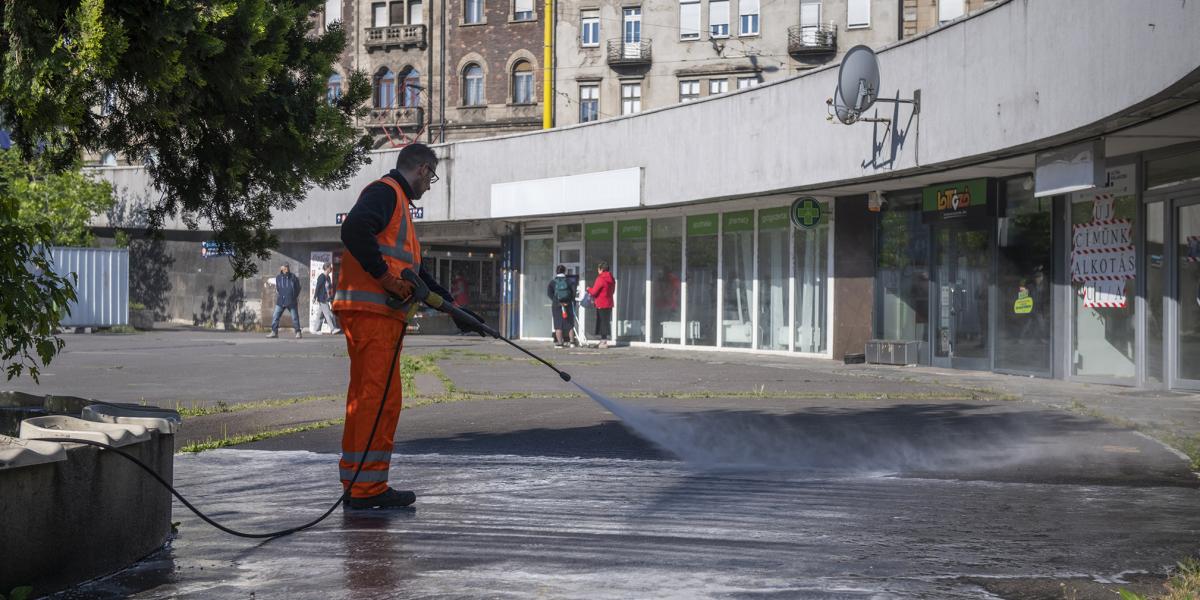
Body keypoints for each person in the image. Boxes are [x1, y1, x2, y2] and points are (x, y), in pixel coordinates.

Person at [333, 143, 488, 510]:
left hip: (374, 316)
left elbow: (419, 277)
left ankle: (359, 483)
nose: (429, 186)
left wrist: (456, 311)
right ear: (422, 169)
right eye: (431, 177)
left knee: (369, 398)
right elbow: (353, 229)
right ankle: (367, 489)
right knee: (378, 400)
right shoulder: (386, 193)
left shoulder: (398, 206)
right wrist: (385, 278)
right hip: (374, 315)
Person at [267, 263, 302, 339]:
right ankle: (274, 332)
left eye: (287, 267)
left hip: (291, 301)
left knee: (295, 317)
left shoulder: (293, 277)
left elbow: (298, 288)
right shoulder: (278, 278)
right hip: (281, 301)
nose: (286, 269)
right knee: (275, 316)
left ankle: (298, 332)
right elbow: (278, 288)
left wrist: (294, 296)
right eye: (285, 267)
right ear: (281, 268)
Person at [547, 265, 577, 348]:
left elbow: (549, 293)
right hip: (568, 304)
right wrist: (569, 301)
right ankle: (572, 342)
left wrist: (556, 301)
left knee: (558, 324)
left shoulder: (553, 282)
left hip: (557, 305)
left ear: (556, 271)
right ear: (565, 271)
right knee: (570, 324)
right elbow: (573, 293)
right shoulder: (569, 281)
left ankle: (560, 343)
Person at [587, 261, 615, 349]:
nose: (598, 271)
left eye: (598, 269)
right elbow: (613, 291)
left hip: (601, 303)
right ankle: (603, 340)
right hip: (609, 303)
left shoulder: (600, 278)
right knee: (605, 322)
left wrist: (588, 289)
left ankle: (603, 342)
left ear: (601, 269)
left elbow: (594, 292)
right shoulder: (612, 279)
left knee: (602, 322)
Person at [312, 263, 341, 335]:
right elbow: (317, 287)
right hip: (322, 299)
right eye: (330, 267)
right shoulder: (321, 277)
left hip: (327, 298)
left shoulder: (328, 278)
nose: (331, 269)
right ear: (327, 268)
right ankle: (333, 329)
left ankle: (316, 329)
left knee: (320, 315)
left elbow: (329, 288)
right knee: (328, 314)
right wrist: (314, 297)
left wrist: (331, 298)